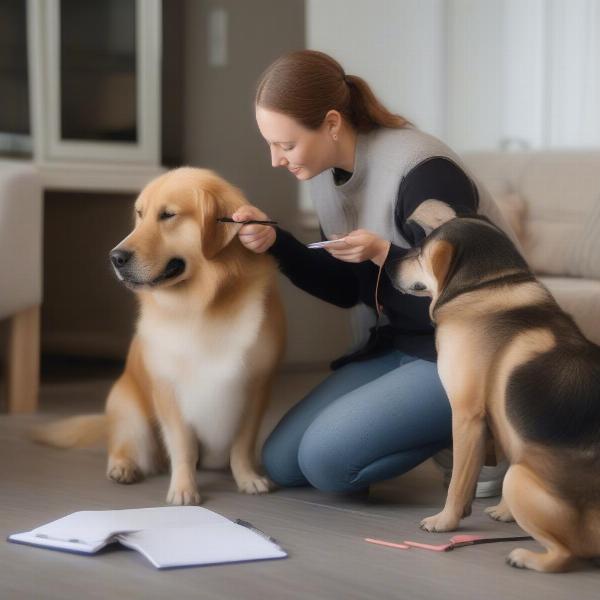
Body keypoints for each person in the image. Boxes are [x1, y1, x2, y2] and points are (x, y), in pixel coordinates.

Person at [232, 50, 512, 496]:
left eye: (286, 145)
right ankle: (451, 421)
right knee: (281, 462)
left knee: (326, 464)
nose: (276, 161)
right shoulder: (327, 176)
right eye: (271, 145)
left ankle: (483, 421)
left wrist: (386, 254)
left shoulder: (423, 171)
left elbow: (470, 288)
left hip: (470, 348)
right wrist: (276, 243)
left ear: (331, 124)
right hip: (400, 344)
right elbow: (348, 290)